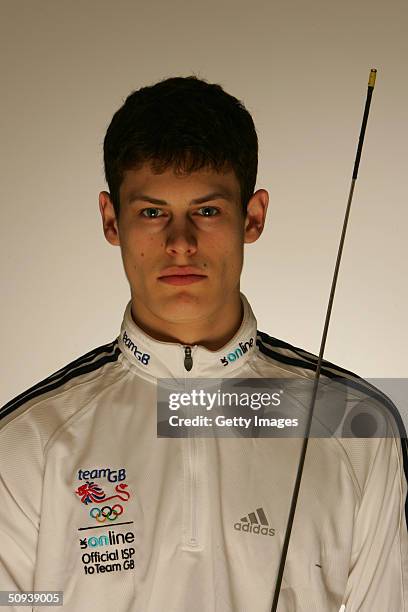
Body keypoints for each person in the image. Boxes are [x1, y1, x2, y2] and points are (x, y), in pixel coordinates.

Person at [0, 75, 407, 612]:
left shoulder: (357, 428)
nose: (180, 242)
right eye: (152, 212)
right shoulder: (29, 442)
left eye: (207, 211)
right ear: (110, 220)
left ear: (253, 216)